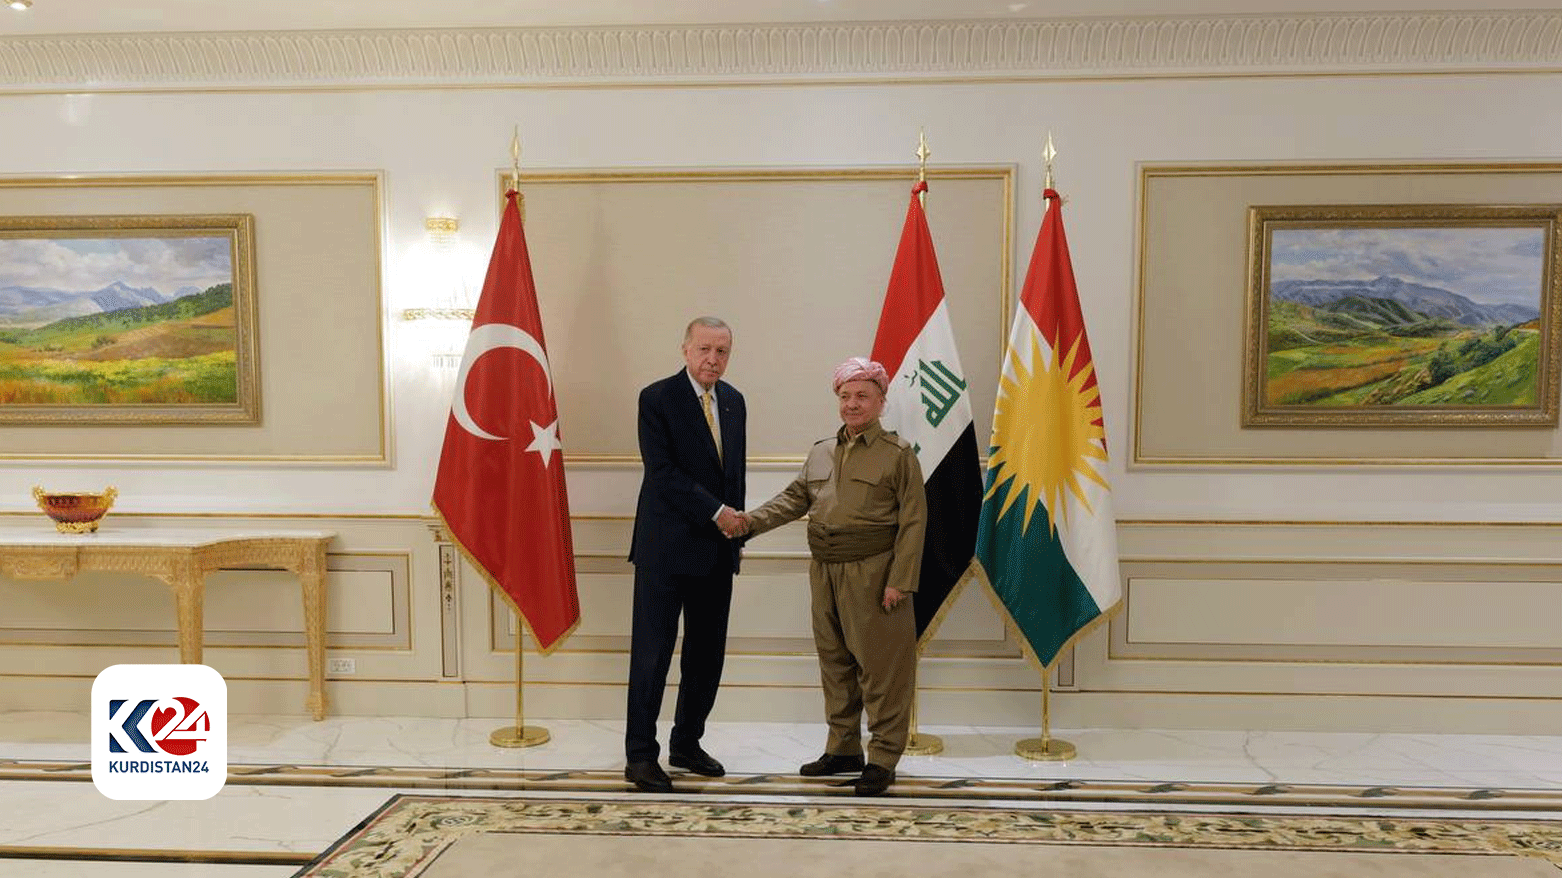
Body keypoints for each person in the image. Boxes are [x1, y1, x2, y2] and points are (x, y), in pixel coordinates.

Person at [740, 357, 926, 796]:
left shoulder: (898, 456)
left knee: (882, 668)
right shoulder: (821, 451)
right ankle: (843, 748)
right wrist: (747, 523)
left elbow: (915, 522)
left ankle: (883, 757)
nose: (852, 403)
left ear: (881, 401)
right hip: (824, 571)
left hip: (876, 573)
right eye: (845, 395)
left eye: (863, 395)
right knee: (836, 663)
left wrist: (901, 580)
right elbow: (794, 499)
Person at [624, 316, 747, 793]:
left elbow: (732, 474)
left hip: (717, 553)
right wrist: (718, 513)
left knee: (705, 657)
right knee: (652, 657)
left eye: (722, 351)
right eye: (704, 349)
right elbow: (662, 473)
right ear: (685, 350)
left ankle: (687, 743)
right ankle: (639, 756)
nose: (713, 359)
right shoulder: (656, 398)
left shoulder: (734, 402)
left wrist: (736, 535)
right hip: (665, 551)